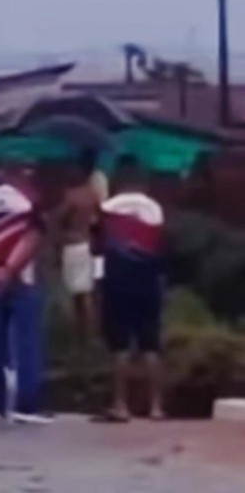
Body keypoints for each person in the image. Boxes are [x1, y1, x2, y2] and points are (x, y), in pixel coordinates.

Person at [0, 160, 50, 425]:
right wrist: (9, 270)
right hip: (21, 281)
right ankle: (25, 408)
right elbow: (32, 239)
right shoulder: (28, 205)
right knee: (26, 345)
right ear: (17, 174)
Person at [94, 154, 166, 422]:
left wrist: (98, 283)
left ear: (119, 178)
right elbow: (160, 247)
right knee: (151, 345)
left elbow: (98, 248)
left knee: (120, 346)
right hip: (148, 282)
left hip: (117, 282)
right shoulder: (154, 209)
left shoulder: (108, 208)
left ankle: (120, 405)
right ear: (141, 178)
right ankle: (156, 407)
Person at [54, 147, 106, 344]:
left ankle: (85, 336)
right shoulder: (94, 194)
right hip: (89, 245)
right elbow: (100, 219)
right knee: (87, 293)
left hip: (74, 246)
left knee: (79, 296)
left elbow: (59, 219)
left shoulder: (73, 196)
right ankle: (90, 334)